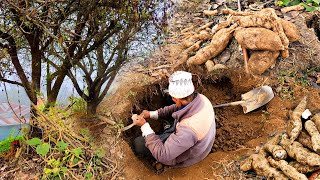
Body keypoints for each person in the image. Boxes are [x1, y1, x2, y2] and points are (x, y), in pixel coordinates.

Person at [133, 71, 216, 168]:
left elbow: (162, 155)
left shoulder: (188, 130)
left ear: (177, 99)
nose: (173, 100)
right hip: (197, 141)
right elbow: (177, 107)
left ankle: (168, 131)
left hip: (189, 155)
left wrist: (144, 126)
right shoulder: (201, 98)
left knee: (138, 144)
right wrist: (152, 114)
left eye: (173, 98)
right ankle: (169, 128)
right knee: (170, 104)